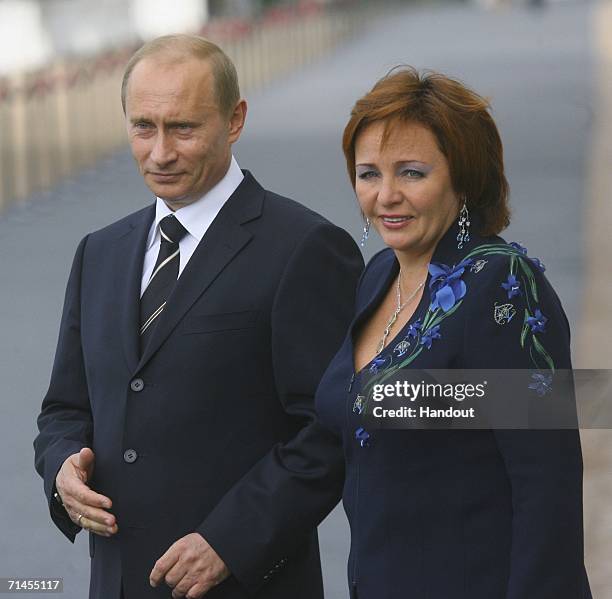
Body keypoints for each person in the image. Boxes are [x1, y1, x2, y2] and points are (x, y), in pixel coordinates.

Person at [34, 34, 363, 599]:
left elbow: (332, 429)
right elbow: (65, 408)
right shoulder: (99, 252)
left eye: (182, 128)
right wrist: (63, 470)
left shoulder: (306, 248)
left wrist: (230, 542)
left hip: (245, 584)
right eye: (143, 127)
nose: (160, 153)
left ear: (234, 120)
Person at [315, 66, 592, 598]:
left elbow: (547, 487)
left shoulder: (505, 284)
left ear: (463, 179)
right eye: (368, 173)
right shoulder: (379, 276)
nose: (386, 195)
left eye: (413, 173)